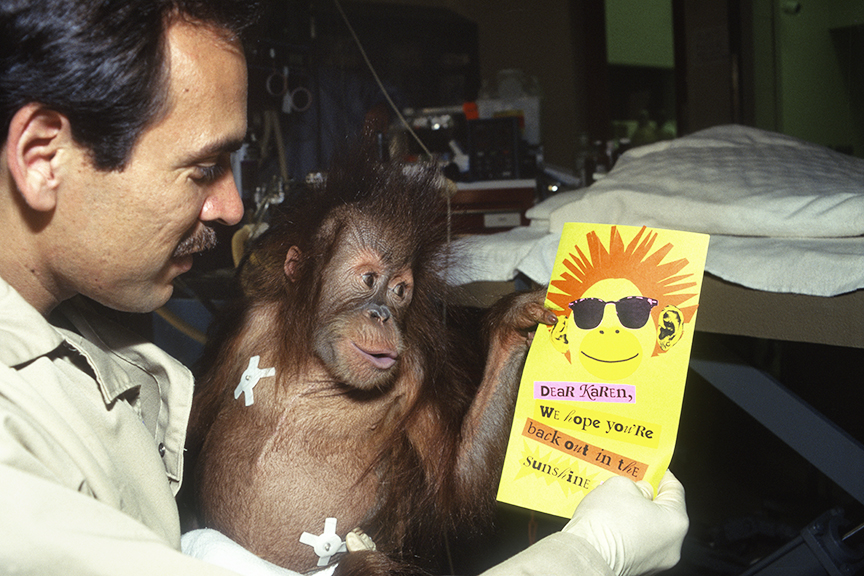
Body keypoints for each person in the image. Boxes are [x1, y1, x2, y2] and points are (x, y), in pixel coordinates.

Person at [0, 1, 688, 575]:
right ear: (42, 158)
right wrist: (591, 554)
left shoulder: (92, 314)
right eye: (203, 167)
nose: (234, 208)